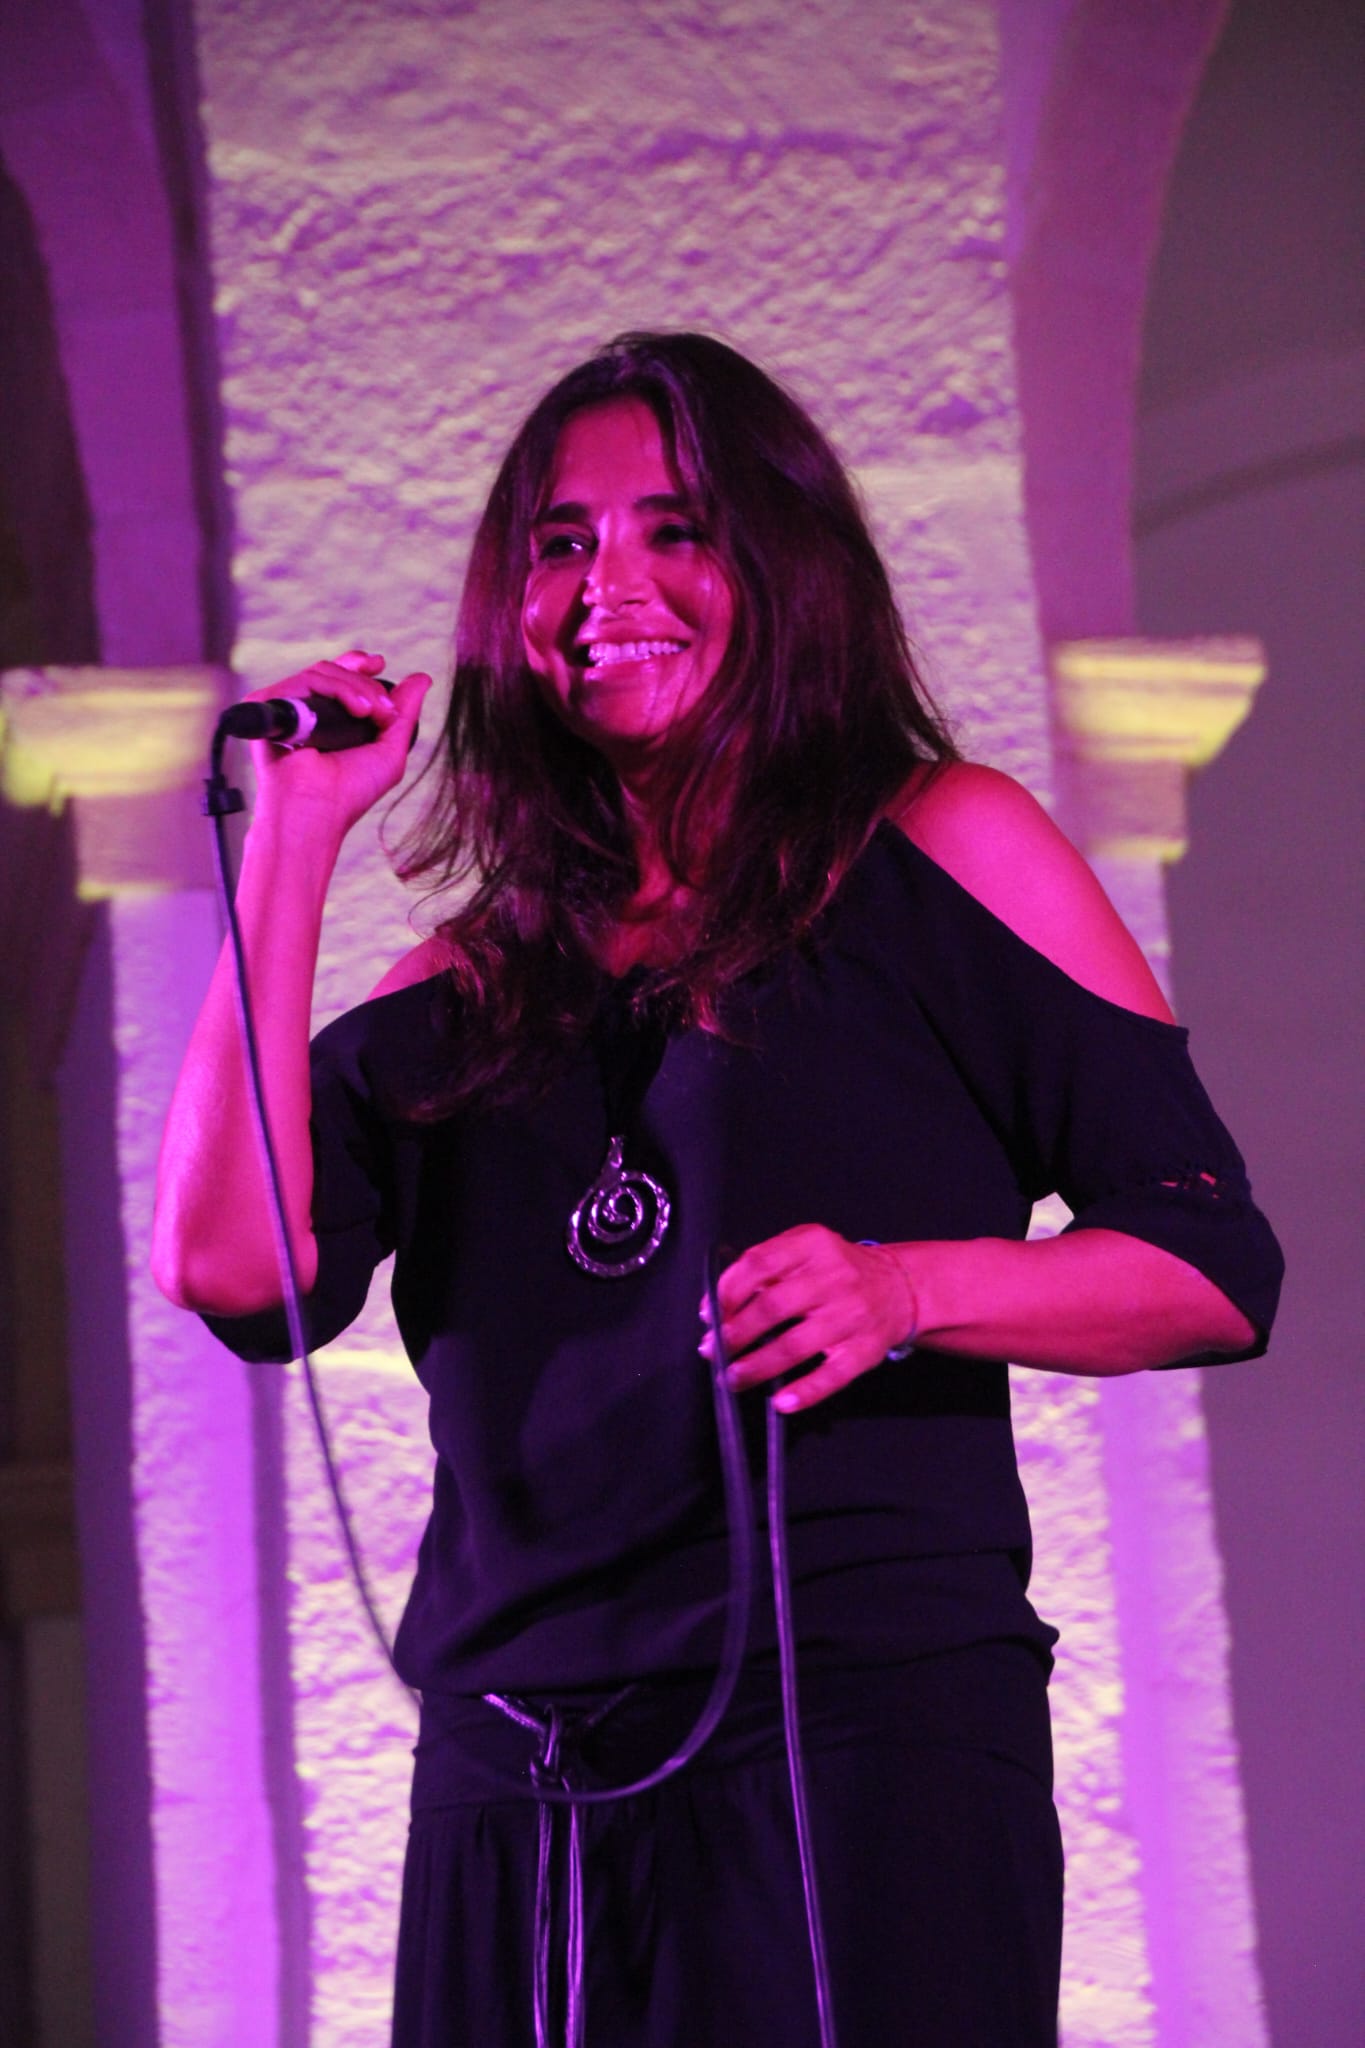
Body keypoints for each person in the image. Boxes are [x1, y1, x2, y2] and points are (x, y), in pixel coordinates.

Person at [152, 331, 1283, 2048]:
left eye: (674, 529)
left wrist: (909, 1288)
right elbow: (232, 1269)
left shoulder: (940, 847)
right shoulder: (461, 983)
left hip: (855, 1732)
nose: (609, 582)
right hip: (519, 1770)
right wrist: (296, 835)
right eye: (560, 542)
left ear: (781, 563)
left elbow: (1207, 1261)